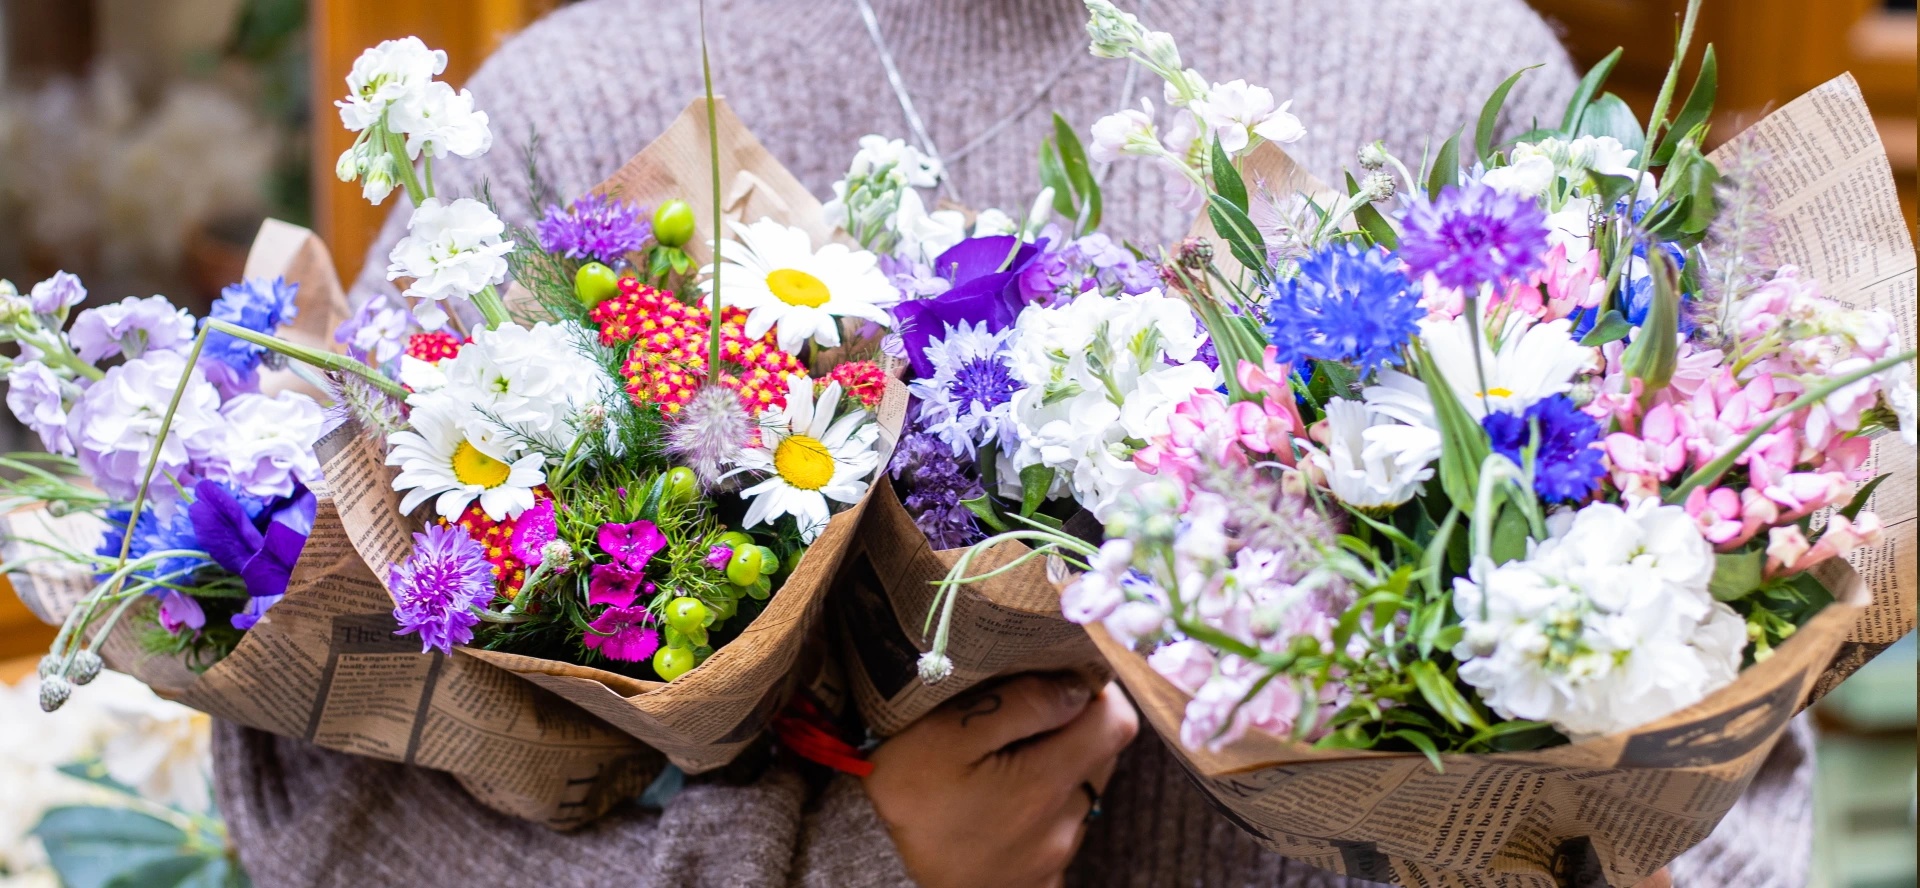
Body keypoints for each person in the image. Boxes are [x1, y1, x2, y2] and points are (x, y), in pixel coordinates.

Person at [216, 1, 1818, 885]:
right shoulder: (569, 114)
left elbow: (1731, 781)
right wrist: (855, 865)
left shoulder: (1452, 76)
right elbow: (330, 821)